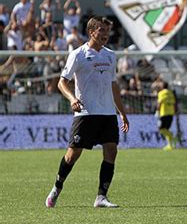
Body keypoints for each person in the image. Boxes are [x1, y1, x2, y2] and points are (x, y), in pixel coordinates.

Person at [45, 16, 129, 208]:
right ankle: (57, 187)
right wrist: (73, 99)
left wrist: (122, 112)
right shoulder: (78, 54)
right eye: (102, 31)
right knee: (72, 155)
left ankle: (101, 197)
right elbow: (62, 82)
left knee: (111, 150)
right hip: (86, 113)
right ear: (91, 32)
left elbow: (113, 85)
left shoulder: (110, 55)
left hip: (108, 113)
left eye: (107, 31)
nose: (106, 34)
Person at [156, 81, 178, 151]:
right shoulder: (171, 93)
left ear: (162, 86)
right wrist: (174, 111)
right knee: (166, 129)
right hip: (171, 113)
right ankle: (170, 145)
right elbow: (174, 103)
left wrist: (157, 111)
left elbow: (159, 103)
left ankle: (173, 137)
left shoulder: (161, 93)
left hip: (164, 113)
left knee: (161, 129)